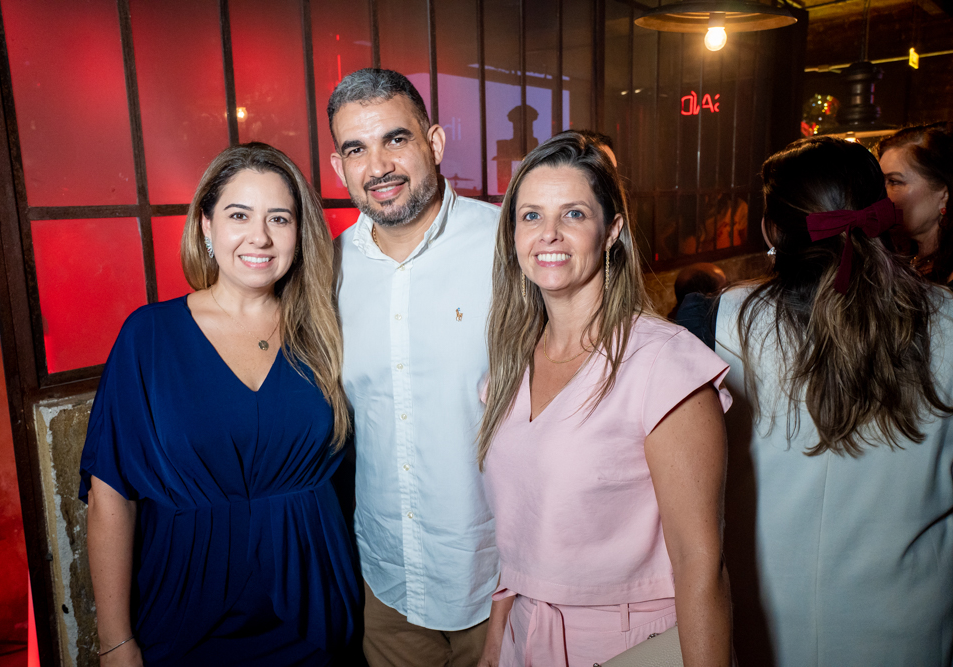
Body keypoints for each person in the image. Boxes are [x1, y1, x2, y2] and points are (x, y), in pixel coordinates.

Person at [80, 143, 359, 666]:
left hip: (313, 607)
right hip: (187, 609)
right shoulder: (150, 337)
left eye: (280, 218)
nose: (260, 236)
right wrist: (115, 642)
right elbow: (110, 495)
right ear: (206, 226)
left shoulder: (323, 332)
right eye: (239, 215)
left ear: (300, 234)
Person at [477, 131, 734, 667]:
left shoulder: (662, 365)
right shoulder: (506, 367)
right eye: (530, 216)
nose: (548, 233)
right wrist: (493, 648)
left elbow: (699, 564)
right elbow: (518, 541)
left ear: (612, 229)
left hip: (629, 645)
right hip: (526, 638)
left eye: (573, 214)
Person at [715, 136, 953, 666]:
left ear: (772, 231)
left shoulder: (719, 326)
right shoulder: (948, 322)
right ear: (880, 215)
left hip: (761, 620)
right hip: (908, 622)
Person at [328, 69, 500, 666]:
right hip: (388, 587)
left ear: (434, 143)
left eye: (395, 140)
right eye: (357, 148)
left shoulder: (509, 244)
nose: (378, 166)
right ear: (338, 165)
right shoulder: (326, 271)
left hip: (502, 580)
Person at [878, 122, 952, 283]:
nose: (881, 194)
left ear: (944, 194)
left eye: (894, 182)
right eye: (880, 182)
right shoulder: (906, 259)